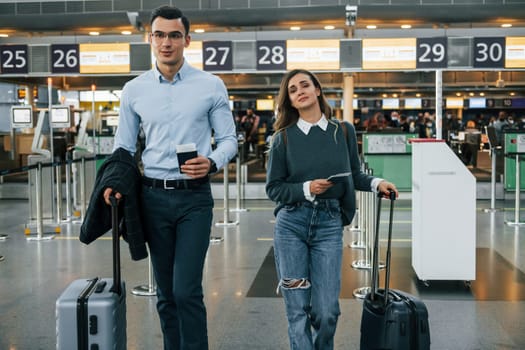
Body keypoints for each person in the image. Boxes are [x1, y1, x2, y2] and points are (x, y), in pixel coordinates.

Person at [102, 6, 237, 350]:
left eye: (174, 35)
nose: (166, 43)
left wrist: (212, 162)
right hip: (153, 198)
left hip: (194, 198)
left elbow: (229, 141)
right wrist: (115, 182)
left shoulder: (210, 85)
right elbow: (123, 145)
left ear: (187, 40)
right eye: (159, 35)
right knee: (165, 293)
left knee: (185, 290)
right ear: (150, 39)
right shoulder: (134, 89)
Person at [265, 69, 398, 350]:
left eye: (305, 85)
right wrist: (306, 188)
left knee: (327, 312)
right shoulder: (283, 138)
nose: (299, 91)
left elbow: (353, 174)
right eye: (292, 89)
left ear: (317, 91)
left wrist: (377, 183)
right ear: (288, 100)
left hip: (328, 226)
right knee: (297, 307)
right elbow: (274, 188)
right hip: (291, 227)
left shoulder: (343, 131)